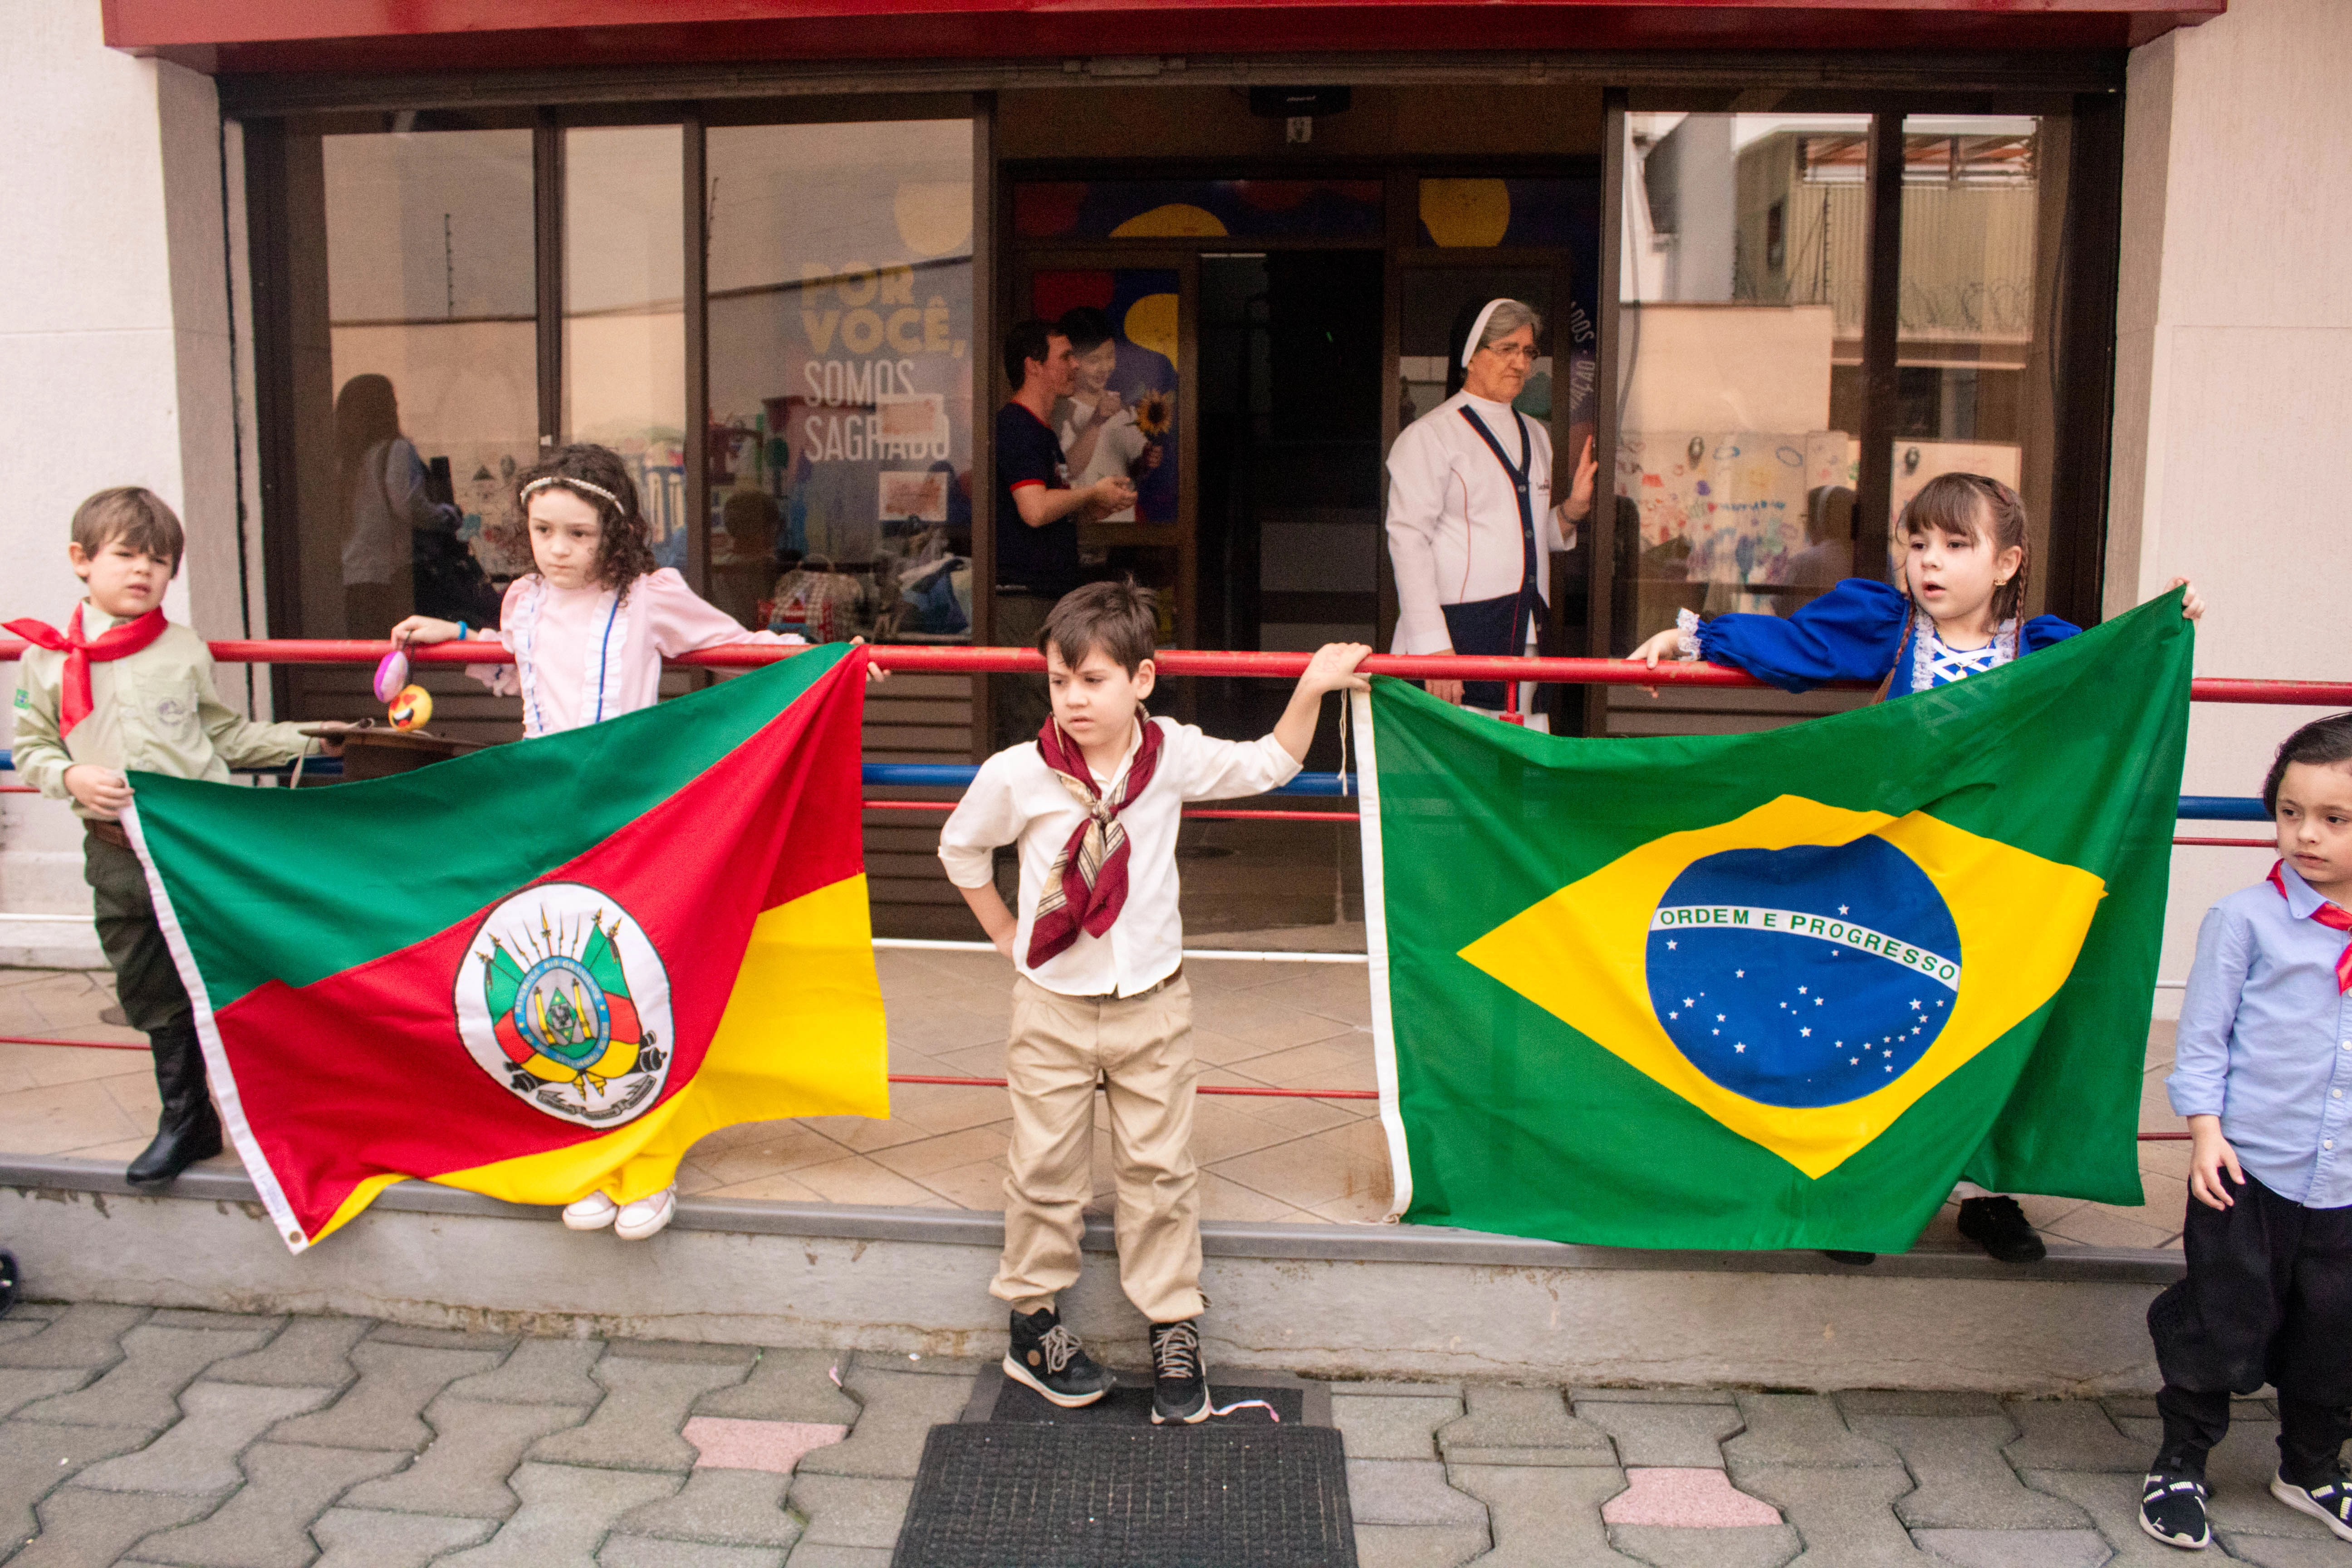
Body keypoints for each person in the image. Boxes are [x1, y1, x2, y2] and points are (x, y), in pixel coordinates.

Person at [1630, 471, 2206, 1264]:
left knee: (1986, 1023)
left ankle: (1984, 1193)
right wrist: (1694, 638)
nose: (1928, 561)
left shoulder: (2042, 651)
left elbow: (2118, 687)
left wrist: (2164, 626)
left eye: (1954, 544)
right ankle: (1863, 1189)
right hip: (1892, 874)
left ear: (2006, 563)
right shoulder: (1888, 628)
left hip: (1997, 879)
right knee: (1879, 1018)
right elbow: (1798, 646)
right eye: (1917, 542)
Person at [938, 580, 1369, 1424]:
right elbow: (960, 848)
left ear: (1141, 680)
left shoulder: (1169, 756)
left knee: (1160, 1171)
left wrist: (1309, 689)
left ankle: (1171, 1324)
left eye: (1093, 681)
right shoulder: (1019, 773)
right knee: (1042, 1171)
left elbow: (1268, 764)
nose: (1073, 700)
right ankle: (1031, 1327)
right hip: (1052, 1007)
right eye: (1060, 682)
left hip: (1152, 1006)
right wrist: (1002, 933)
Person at [391, 443, 835, 1240]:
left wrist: (826, 662)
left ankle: (649, 1161)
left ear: (615, 533)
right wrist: (453, 634)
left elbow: (733, 647)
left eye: (577, 534)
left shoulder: (649, 596)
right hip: (544, 815)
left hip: (630, 815)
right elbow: (517, 670)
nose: (556, 550)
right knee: (564, 984)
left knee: (642, 985)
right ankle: (594, 1154)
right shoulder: (520, 601)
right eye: (542, 530)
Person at [7, 488, 331, 1186]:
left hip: (196, 848)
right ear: (82, 560)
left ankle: (285, 1115)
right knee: (149, 980)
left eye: (159, 561)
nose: (142, 572)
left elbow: (222, 735)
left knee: (235, 972)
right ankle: (186, 1119)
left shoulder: (182, 650)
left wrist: (312, 738)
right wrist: (71, 778)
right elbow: (31, 746)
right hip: (115, 847)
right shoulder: (44, 658)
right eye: (125, 556)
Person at [2137, 714, 2352, 1551]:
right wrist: (2203, 1133)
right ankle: (2179, 1459)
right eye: (2289, 811)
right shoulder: (2243, 920)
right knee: (2220, 1320)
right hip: (2247, 1172)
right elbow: (2201, 1043)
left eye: (2334, 819)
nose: (2304, 834)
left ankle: (2309, 1467)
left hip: (2341, 1183)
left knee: (2331, 1332)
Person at [1384, 298, 1595, 729]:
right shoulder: (1429, 437)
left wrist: (1571, 512)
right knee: (1457, 768)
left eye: (1528, 351)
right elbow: (1408, 541)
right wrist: (1432, 647)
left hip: (1526, 631)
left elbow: (1526, 536)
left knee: (1520, 767)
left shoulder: (1537, 435)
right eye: (1506, 349)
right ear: (1471, 356)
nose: (1520, 362)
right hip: (1457, 636)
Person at [992, 319, 1134, 747]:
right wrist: (1091, 492)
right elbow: (1034, 510)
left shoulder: (1041, 429)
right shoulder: (1017, 427)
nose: (1075, 365)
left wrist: (1090, 506)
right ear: (1034, 366)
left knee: (1047, 712)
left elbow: (1051, 504)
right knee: (1031, 717)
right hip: (1022, 596)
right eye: (1065, 356)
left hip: (1044, 595)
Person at [336, 374, 466, 637]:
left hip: (350, 575)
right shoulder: (395, 450)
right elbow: (409, 506)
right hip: (390, 574)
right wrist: (449, 516)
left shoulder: (342, 458)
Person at [1054, 307, 1163, 524]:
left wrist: (1146, 460)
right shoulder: (1062, 409)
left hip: (1122, 528)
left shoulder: (1125, 411)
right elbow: (1067, 472)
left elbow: (1134, 473)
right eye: (1094, 360)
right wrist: (1096, 421)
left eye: (1110, 356)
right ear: (1073, 361)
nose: (1105, 367)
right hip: (1081, 527)